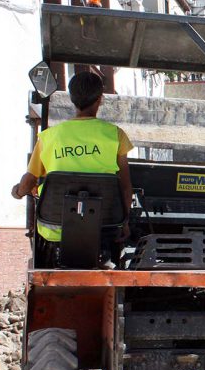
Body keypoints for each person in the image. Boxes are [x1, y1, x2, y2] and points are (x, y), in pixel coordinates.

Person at [11, 71, 134, 242]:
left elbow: (29, 181)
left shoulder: (49, 137)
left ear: (72, 99)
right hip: (104, 228)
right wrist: (124, 222)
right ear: (100, 99)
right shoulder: (116, 135)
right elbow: (126, 188)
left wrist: (18, 192)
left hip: (54, 228)